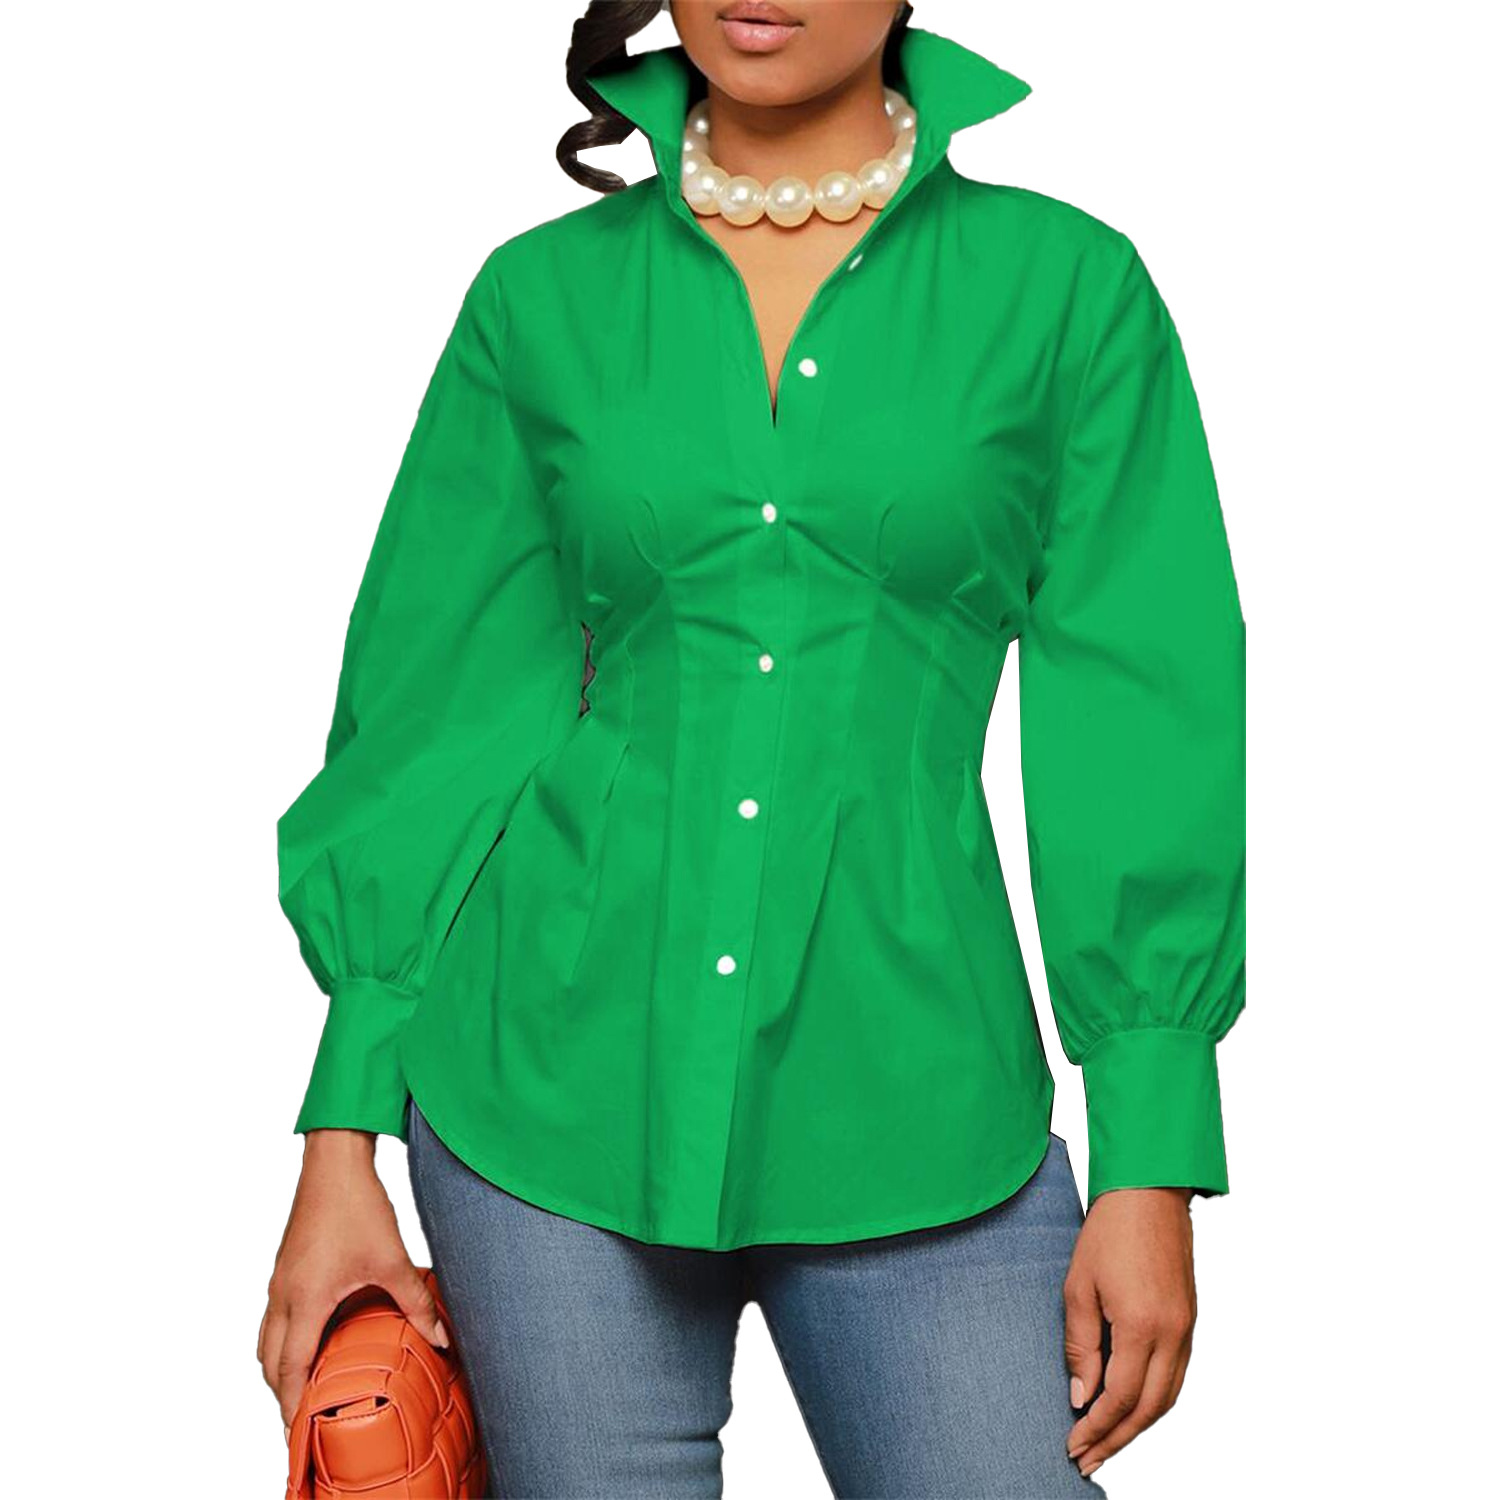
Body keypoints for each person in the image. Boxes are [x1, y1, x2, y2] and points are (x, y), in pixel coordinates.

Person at [259, 3, 1246, 1495]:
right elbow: (434, 717)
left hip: (919, 1107)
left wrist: (1151, 1150)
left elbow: (1142, 714)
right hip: (544, 1100)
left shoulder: (1067, 290)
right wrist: (341, 1139)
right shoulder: (542, 297)